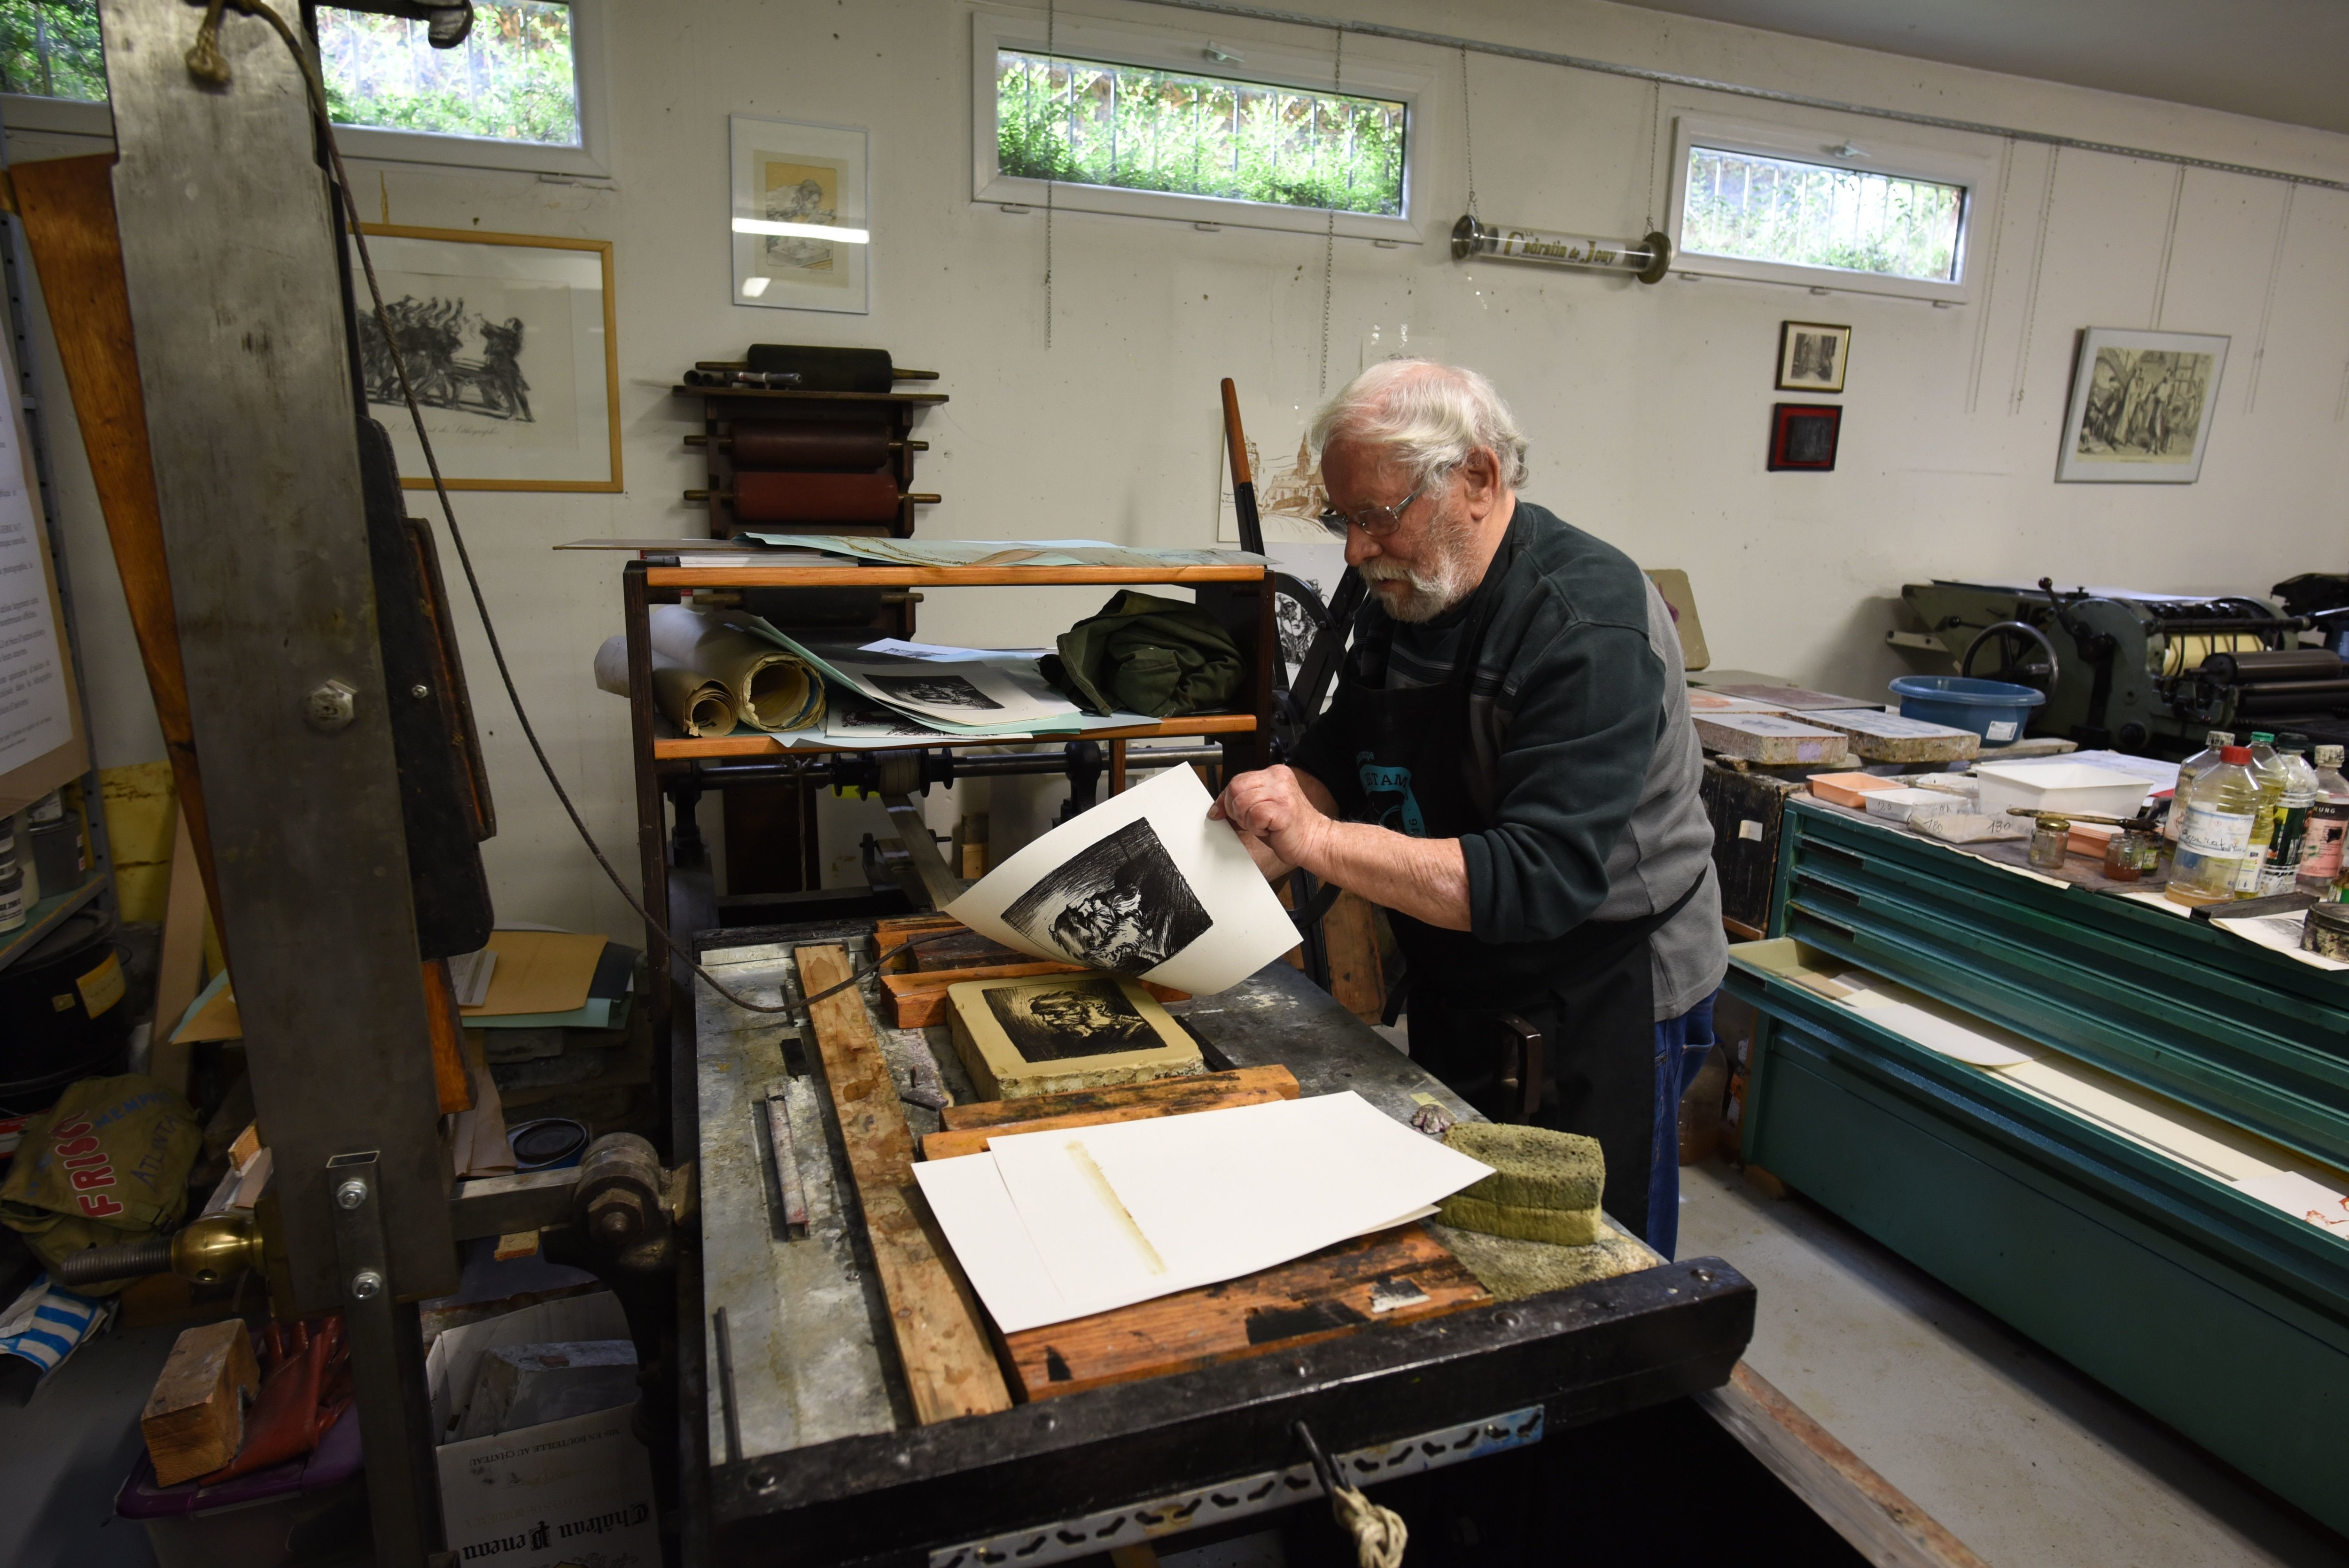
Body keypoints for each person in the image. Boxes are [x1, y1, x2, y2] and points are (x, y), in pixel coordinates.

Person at [1211, 360, 1726, 1255]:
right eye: (1343, 518)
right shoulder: (1407, 586)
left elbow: (1540, 879)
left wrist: (1320, 838)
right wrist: (1281, 812)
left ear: (1479, 481)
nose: (1353, 550)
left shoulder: (1586, 624)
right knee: (1462, 1237)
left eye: (1376, 516)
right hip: (1466, 969)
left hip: (1602, 990)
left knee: (1591, 1263)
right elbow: (1348, 740)